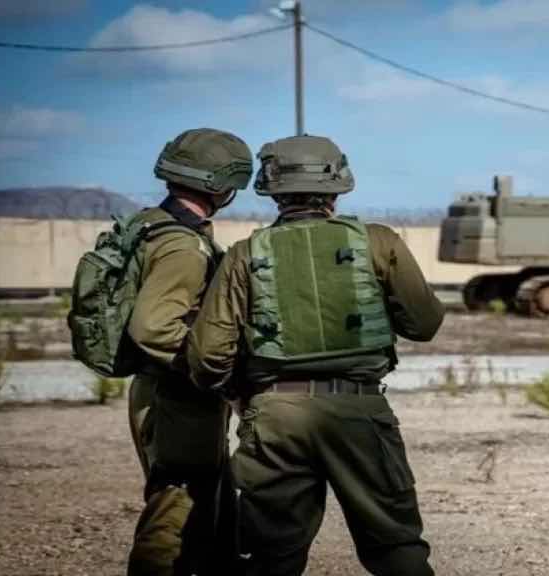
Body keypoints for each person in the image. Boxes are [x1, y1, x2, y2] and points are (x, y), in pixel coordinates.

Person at [187, 134, 444, 576]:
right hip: (359, 412)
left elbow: (208, 354)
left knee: (271, 555)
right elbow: (424, 324)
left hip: (274, 417)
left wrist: (238, 394)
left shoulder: (244, 255)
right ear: (337, 186)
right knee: (394, 546)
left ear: (272, 189)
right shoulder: (378, 242)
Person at [126, 128, 253, 576]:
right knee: (176, 509)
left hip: (168, 391)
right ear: (220, 186)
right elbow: (153, 326)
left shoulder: (152, 225)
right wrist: (212, 364)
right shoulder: (184, 246)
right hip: (178, 395)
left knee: (206, 507)